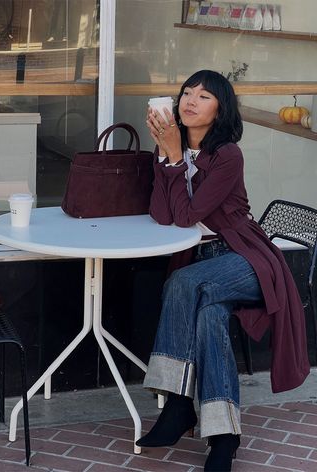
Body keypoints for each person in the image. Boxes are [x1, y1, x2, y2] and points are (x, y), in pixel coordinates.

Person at [136, 70, 310, 472]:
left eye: (204, 96)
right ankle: (224, 437)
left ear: (220, 109)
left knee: (181, 282)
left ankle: (179, 404)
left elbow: (188, 216)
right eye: (186, 93)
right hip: (203, 268)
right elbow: (163, 215)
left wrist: (177, 159)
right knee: (209, 317)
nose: (190, 101)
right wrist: (165, 157)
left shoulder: (227, 154)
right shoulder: (171, 150)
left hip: (246, 258)